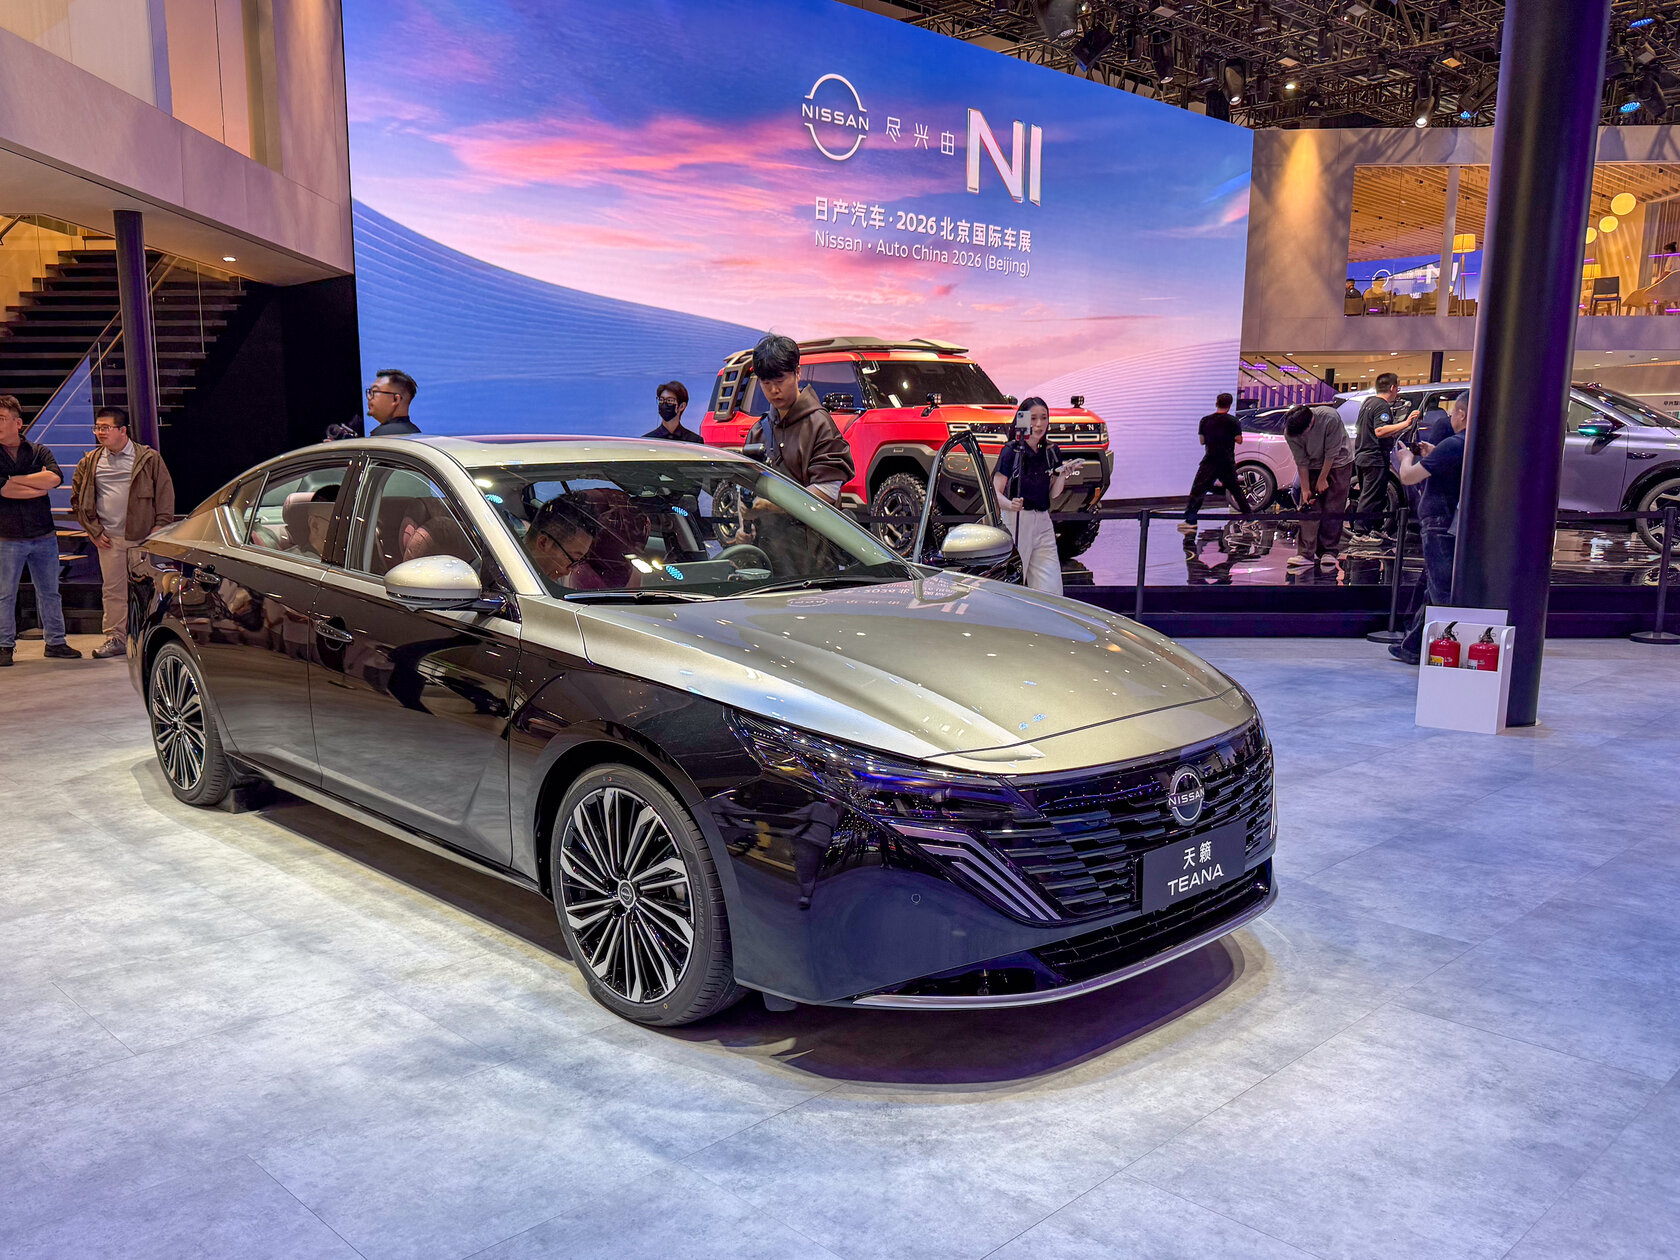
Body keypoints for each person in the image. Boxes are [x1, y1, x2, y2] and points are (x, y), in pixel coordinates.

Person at [70, 406, 175, 659]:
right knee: (113, 590)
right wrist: (93, 531)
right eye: (97, 428)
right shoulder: (90, 461)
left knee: (151, 590)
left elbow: (164, 492)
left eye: (106, 428)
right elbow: (77, 499)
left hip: (143, 538)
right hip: (109, 539)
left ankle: (151, 637)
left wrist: (160, 526)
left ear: (122, 430)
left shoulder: (148, 458)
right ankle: (115, 638)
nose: (100, 432)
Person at [0, 394, 81, 665]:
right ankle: (4, 646)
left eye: (1, 419)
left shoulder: (38, 451)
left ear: (17, 423)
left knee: (49, 591)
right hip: (7, 536)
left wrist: (15, 480)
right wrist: (34, 484)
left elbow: (55, 478)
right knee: (5, 594)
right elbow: (5, 490)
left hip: (43, 533)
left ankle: (56, 642)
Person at [1391, 395, 1470, 664]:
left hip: (1439, 523)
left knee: (1440, 592)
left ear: (1461, 414)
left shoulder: (1454, 444)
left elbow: (1408, 476)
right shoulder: (1472, 444)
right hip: (1454, 522)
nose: (1450, 418)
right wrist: (1434, 454)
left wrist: (1406, 458)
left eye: (1453, 413)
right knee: (1432, 588)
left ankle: (1446, 653)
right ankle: (1413, 646)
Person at [744, 335, 853, 504]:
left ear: (798, 373)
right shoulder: (758, 430)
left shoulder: (819, 424)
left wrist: (776, 505)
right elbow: (748, 483)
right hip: (766, 521)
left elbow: (828, 490)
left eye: (780, 381)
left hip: (810, 522)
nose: (774, 390)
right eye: (766, 383)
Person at [994, 396, 1080, 596]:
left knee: (1051, 584)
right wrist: (1009, 504)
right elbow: (995, 492)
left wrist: (1062, 475)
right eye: (1033, 418)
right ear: (1022, 419)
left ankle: (1047, 613)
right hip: (1016, 520)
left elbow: (1054, 494)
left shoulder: (1051, 450)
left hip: (1043, 520)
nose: (1039, 424)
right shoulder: (1011, 451)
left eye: (1044, 417)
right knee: (1014, 580)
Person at [1284, 402, 1355, 572]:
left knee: (1333, 505)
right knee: (1309, 506)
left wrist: (1323, 479)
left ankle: (1329, 551)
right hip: (1312, 464)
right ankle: (1305, 553)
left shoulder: (1330, 418)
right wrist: (1306, 489)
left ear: (1310, 424)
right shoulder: (1291, 432)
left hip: (1339, 462)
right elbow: (1301, 461)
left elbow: (1332, 453)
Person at [1353, 372, 1415, 537]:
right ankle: (1361, 533)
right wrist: (1406, 423)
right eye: (1397, 388)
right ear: (1393, 387)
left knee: (1374, 496)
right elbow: (1380, 430)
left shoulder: (1368, 402)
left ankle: (1374, 531)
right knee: (1371, 497)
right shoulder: (1382, 406)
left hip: (1362, 456)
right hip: (1374, 458)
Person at [1181, 392, 1249, 531]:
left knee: (1198, 490)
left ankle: (1190, 520)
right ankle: (1249, 517)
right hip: (1226, 460)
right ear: (1229, 405)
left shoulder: (1205, 420)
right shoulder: (1233, 421)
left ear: (1216, 403)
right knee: (1235, 490)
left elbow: (1202, 441)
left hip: (1210, 460)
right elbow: (1239, 440)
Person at [365, 369, 420, 437]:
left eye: (374, 391)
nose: (369, 397)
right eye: (370, 392)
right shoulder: (414, 431)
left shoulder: (384, 435)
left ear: (395, 399)